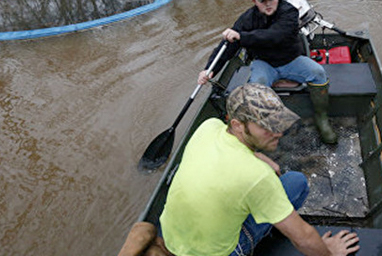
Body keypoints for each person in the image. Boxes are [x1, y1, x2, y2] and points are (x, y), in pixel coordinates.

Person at [117, 83, 360, 256]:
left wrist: (263, 158)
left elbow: (239, 149)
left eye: (278, 123)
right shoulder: (256, 177)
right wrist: (329, 251)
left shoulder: (208, 126)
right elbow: (304, 238)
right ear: (237, 125)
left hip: (172, 238)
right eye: (267, 126)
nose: (278, 132)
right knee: (296, 182)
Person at [198, 0, 337, 144]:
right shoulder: (247, 19)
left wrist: (243, 37)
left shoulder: (289, 11)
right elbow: (228, 46)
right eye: (263, 1)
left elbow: (276, 35)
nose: (268, 4)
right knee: (257, 86)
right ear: (254, 1)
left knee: (318, 73)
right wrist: (209, 69)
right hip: (264, 63)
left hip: (291, 60)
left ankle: (322, 119)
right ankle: (263, 129)